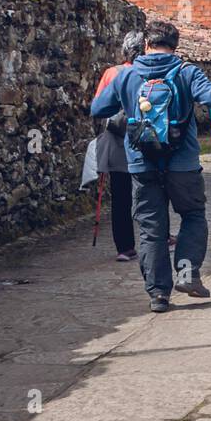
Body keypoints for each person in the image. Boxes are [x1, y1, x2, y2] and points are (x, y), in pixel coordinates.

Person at [90, 19, 211, 313]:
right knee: (192, 215)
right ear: (175, 46)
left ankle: (158, 295)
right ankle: (188, 274)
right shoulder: (186, 71)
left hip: (140, 162)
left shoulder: (127, 75)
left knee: (152, 229)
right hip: (183, 162)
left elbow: (98, 109)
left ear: (146, 45)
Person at [91, 30, 145, 262]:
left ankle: (124, 247)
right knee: (150, 191)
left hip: (116, 142)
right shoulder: (147, 73)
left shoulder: (111, 73)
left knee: (121, 197)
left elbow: (98, 107)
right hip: (144, 142)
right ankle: (157, 237)